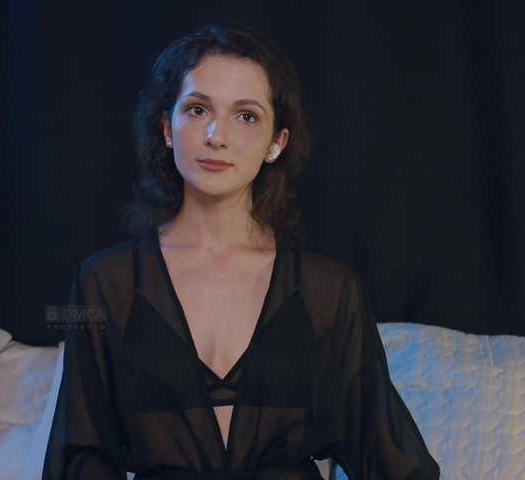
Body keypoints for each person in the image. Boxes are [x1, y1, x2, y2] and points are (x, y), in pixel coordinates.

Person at [42, 22, 440, 480]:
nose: (217, 135)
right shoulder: (103, 282)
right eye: (197, 109)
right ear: (167, 128)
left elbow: (388, 454)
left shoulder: (331, 292)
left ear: (277, 143)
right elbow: (80, 454)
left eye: (246, 116)